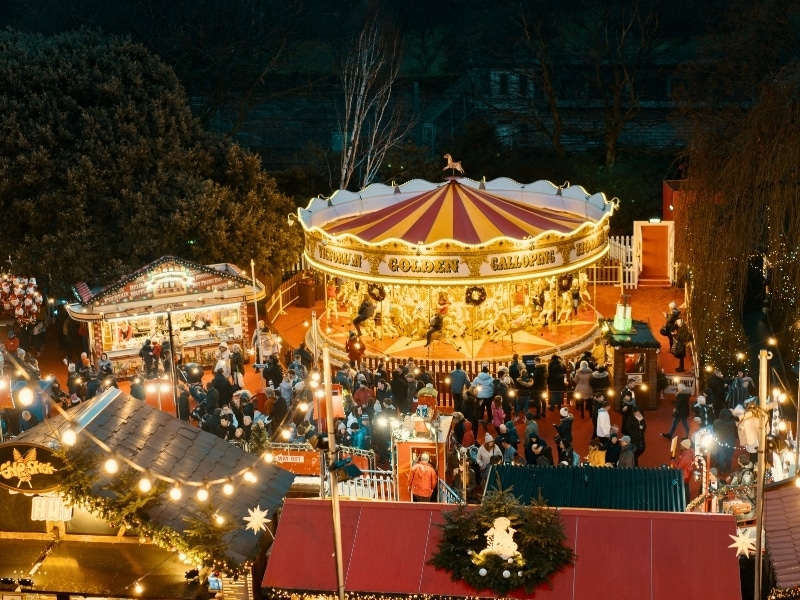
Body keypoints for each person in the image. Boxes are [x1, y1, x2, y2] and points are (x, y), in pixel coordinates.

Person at [713, 408, 737, 475]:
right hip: (730, 442)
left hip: (720, 442)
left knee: (721, 456)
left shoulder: (716, 422)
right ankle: (728, 469)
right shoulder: (732, 422)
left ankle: (722, 470)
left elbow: (714, 431)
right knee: (729, 456)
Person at [672, 438, 695, 503]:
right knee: (686, 486)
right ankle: (686, 501)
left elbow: (678, 467)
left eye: (681, 445)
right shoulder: (689, 452)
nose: (680, 446)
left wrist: (672, 461)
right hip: (687, 473)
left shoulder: (685, 456)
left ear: (685, 447)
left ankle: (683, 501)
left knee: (674, 484)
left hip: (683, 475)